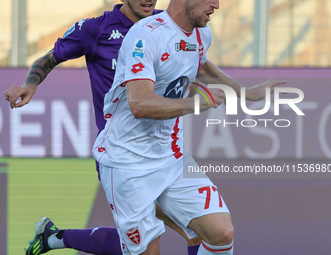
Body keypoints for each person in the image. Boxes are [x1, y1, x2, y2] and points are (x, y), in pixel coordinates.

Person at [4, 0, 201, 255]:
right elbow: (50, 57)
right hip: (122, 158)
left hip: (164, 155)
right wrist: (30, 85)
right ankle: (54, 238)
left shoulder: (168, 24)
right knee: (166, 241)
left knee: (198, 231)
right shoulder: (96, 30)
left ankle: (52, 238)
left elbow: (192, 59)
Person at [92, 0, 287, 253]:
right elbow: (139, 104)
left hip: (171, 157)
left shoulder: (202, 33)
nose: (216, 5)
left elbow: (200, 63)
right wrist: (197, 103)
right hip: (127, 163)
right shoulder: (145, 35)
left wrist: (246, 93)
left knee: (221, 232)